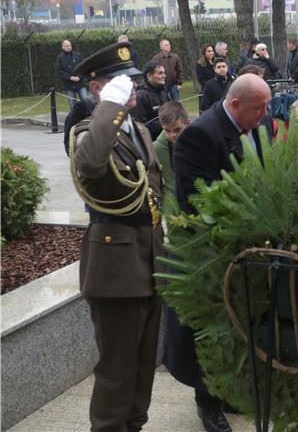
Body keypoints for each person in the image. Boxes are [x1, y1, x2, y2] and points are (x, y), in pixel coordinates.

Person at [170, 74, 275, 432]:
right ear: (235, 105)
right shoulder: (200, 135)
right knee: (209, 331)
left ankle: (228, 392)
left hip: (242, 250)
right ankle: (207, 403)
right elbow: (198, 200)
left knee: (236, 328)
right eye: (258, 108)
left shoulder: (250, 128)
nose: (264, 114)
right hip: (209, 255)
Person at [68, 42, 162, 432]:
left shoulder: (138, 129)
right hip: (115, 271)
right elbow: (91, 163)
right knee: (117, 370)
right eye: (122, 84)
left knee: (142, 368)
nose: (133, 90)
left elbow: (153, 194)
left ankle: (133, 426)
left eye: (134, 82)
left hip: (148, 262)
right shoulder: (88, 131)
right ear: (99, 90)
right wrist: (108, 107)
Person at [153, 101, 190, 211]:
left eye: (177, 130)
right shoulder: (157, 148)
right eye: (167, 131)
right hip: (173, 206)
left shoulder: (199, 140)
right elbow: (167, 185)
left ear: (187, 123)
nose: (172, 135)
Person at [133, 60, 170, 141]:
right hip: (151, 142)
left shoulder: (163, 90)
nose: (164, 76)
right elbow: (140, 125)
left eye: (164, 73)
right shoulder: (140, 96)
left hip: (167, 137)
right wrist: (166, 124)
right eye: (160, 73)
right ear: (149, 76)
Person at [56, 39, 88, 108]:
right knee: (72, 103)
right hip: (69, 85)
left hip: (80, 83)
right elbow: (59, 71)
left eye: (70, 45)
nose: (69, 47)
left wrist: (79, 77)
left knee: (85, 100)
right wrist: (70, 78)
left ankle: (88, 116)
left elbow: (83, 66)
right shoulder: (60, 58)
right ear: (63, 47)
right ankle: (75, 117)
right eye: (66, 46)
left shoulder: (77, 55)